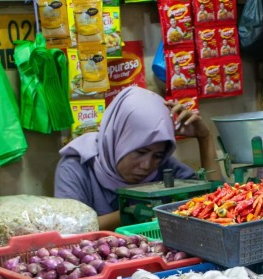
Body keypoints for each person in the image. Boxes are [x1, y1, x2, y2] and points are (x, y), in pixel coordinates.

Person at [55, 87, 222, 231]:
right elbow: (70, 230)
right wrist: (132, 212)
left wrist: (205, 138)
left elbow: (218, 204)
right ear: (119, 138)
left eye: (157, 155)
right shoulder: (76, 168)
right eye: (140, 152)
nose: (147, 165)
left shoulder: (165, 168)